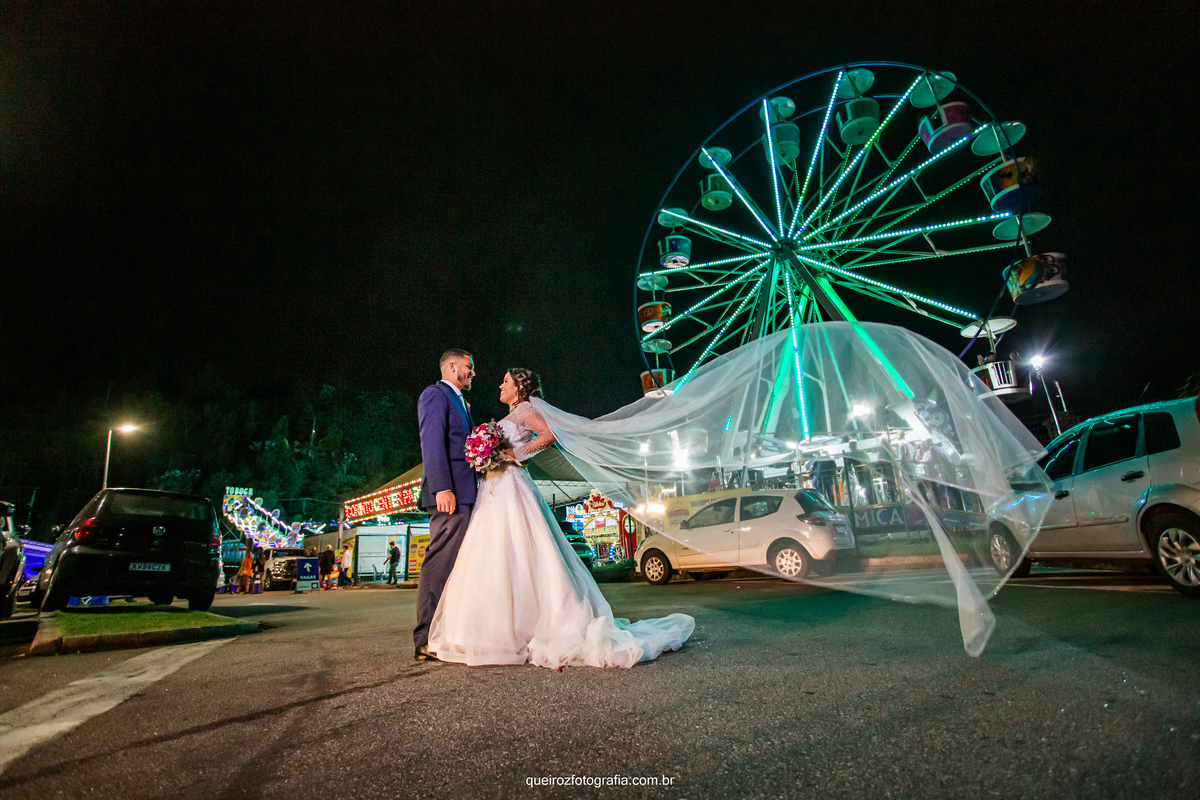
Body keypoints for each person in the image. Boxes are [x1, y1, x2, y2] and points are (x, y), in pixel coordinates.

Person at [427, 368, 694, 669]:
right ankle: (489, 627)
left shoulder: (525, 410)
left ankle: (526, 624)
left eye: (506, 381)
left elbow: (549, 434)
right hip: (494, 487)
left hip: (512, 485)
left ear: (520, 388)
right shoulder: (512, 414)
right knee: (493, 550)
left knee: (521, 546)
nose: (500, 385)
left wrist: (515, 454)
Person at [413, 349, 479, 660]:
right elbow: (431, 441)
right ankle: (425, 638)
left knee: (458, 566)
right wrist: (442, 487)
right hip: (449, 494)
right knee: (440, 562)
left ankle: (448, 632)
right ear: (452, 366)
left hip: (466, 494)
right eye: (469, 366)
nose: (473, 373)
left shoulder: (460, 401)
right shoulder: (435, 394)